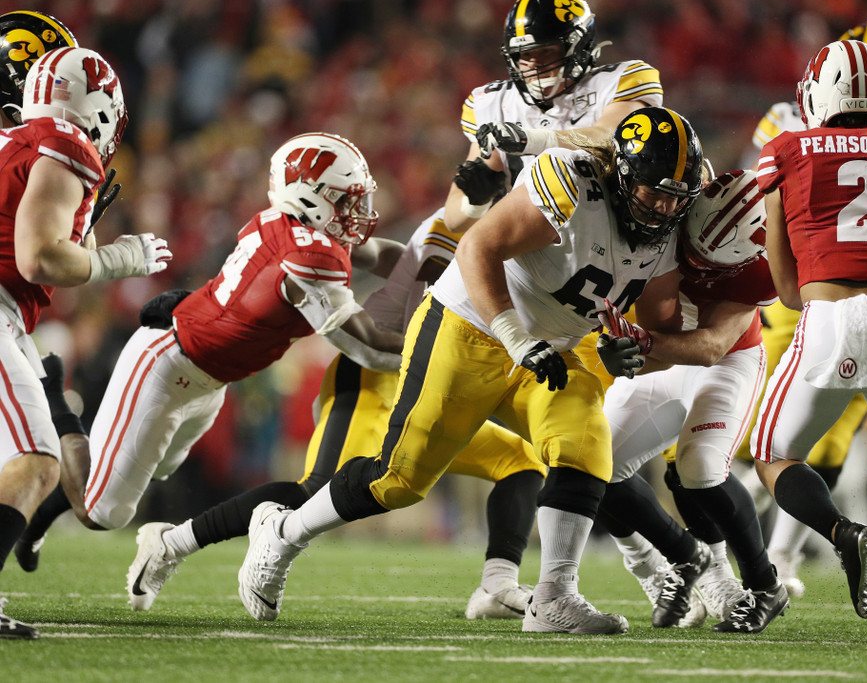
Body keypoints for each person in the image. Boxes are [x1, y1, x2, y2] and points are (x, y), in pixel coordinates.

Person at [234, 106, 703, 635]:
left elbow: (658, 322)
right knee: (399, 480)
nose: (664, 207)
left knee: (585, 444)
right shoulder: (573, 180)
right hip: (469, 327)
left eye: (675, 196)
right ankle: (282, 533)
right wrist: (514, 336)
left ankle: (553, 598)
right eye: (653, 191)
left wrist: (629, 348)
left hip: (553, 349)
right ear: (621, 173)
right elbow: (479, 245)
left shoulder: (670, 224)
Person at [119, 213, 547, 618]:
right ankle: (170, 542)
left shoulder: (530, 251)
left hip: (431, 389)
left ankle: (497, 583)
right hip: (375, 380)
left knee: (521, 462)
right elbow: (402, 256)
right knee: (316, 493)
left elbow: (389, 258)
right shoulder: (461, 226)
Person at [15, 132, 405, 573]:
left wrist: (450, 263)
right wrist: (432, 343)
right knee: (104, 513)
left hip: (209, 377)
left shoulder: (301, 230)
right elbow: (368, 346)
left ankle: (44, 513)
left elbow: (383, 254)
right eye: (346, 200)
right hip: (168, 364)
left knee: (157, 469)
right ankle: (58, 410)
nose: (360, 213)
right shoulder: (307, 255)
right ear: (309, 198)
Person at [741, 22, 867, 597]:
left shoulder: (784, 149)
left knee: (772, 454)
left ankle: (841, 531)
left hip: (827, 317)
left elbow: (785, 286)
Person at [0, 45, 168, 640]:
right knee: (36, 462)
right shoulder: (66, 144)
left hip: (9, 316)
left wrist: (88, 233)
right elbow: (40, 256)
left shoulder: (14, 141)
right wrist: (120, 259)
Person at [594, 170, 788, 633]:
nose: (698, 263)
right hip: (662, 346)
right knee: (589, 458)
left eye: (712, 261)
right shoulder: (676, 204)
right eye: (693, 249)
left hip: (724, 362)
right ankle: (662, 566)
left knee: (698, 468)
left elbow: (709, 347)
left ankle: (764, 586)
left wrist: (637, 345)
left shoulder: (763, 264)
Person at [444, 0, 662, 233]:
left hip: (606, 227)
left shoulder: (621, 80)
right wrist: (475, 203)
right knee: (430, 235)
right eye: (524, 55)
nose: (533, 66)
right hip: (529, 239)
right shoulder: (493, 103)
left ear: (578, 47)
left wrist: (530, 140)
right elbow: (452, 220)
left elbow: (611, 137)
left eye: (545, 52)